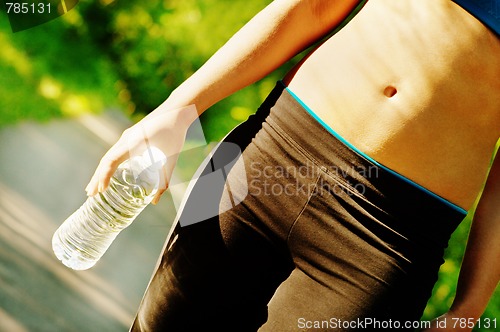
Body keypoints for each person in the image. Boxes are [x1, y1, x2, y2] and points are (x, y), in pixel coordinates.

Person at [85, 0, 500, 331]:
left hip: (386, 239)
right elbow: (313, 6)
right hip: (270, 154)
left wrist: (470, 306)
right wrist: (179, 108)